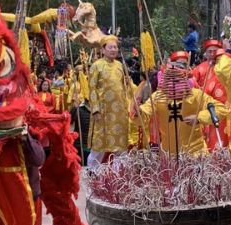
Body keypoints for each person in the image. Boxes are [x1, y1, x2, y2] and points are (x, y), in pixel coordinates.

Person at [138, 52, 212, 156]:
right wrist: (138, 112)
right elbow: (144, 113)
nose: (173, 82)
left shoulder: (196, 94)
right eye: (169, 78)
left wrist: (199, 117)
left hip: (196, 152)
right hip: (168, 153)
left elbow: (218, 109)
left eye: (177, 79)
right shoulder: (158, 96)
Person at [87, 36, 131, 166]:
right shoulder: (96, 66)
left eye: (115, 47)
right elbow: (92, 88)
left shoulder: (120, 65)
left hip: (119, 113)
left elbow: (123, 88)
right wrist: (95, 109)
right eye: (110, 47)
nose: (114, 50)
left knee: (120, 147)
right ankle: (93, 173)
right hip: (103, 112)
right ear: (103, 49)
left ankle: (119, 176)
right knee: (99, 146)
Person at [191, 40, 230, 151]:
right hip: (208, 106)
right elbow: (193, 86)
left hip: (226, 106)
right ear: (206, 53)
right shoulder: (200, 68)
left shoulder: (226, 68)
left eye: (215, 51)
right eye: (210, 51)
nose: (212, 54)